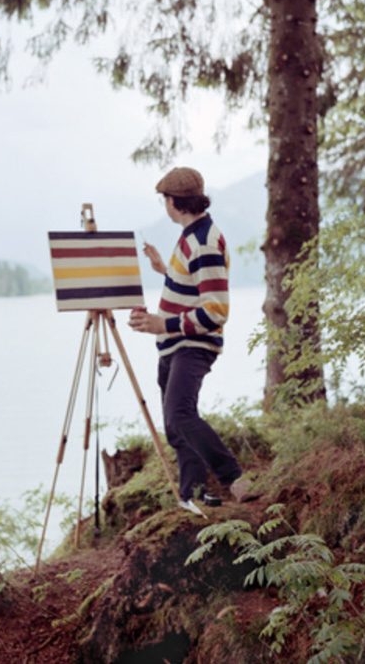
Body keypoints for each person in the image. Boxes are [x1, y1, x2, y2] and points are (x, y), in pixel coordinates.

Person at [129, 166, 258, 514]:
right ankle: (195, 494)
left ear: (175, 202)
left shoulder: (203, 242)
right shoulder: (191, 235)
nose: (164, 206)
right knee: (175, 424)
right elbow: (192, 282)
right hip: (174, 344)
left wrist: (162, 323)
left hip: (193, 344)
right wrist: (164, 270)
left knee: (181, 414)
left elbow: (215, 311)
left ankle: (234, 479)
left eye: (165, 200)